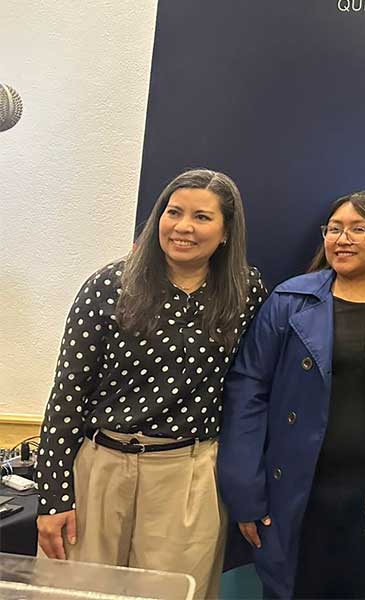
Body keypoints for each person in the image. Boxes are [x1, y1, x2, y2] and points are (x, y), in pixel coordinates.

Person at [35, 169, 266, 599]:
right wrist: (54, 498)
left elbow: (252, 392)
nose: (183, 227)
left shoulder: (245, 293)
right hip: (100, 469)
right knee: (74, 592)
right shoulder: (109, 286)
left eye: (201, 217)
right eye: (173, 212)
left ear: (226, 232)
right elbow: (67, 396)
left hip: (186, 475)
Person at [217, 191, 365, 599]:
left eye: (358, 229)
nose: (342, 239)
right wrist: (245, 492)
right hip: (298, 495)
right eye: (334, 229)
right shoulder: (289, 300)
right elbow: (248, 391)